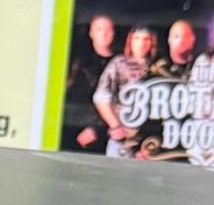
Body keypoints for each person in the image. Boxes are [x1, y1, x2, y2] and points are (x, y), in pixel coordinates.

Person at [93, 25, 157, 156]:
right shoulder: (119, 63)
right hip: (122, 140)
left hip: (149, 142)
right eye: (137, 38)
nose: (141, 43)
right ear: (130, 41)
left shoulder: (158, 67)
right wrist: (115, 125)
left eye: (146, 39)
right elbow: (101, 96)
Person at [62, 12, 117, 151]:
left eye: (108, 29)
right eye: (99, 29)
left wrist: (97, 128)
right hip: (73, 129)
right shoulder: (78, 62)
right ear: (91, 33)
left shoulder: (120, 64)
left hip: (106, 132)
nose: (103, 34)